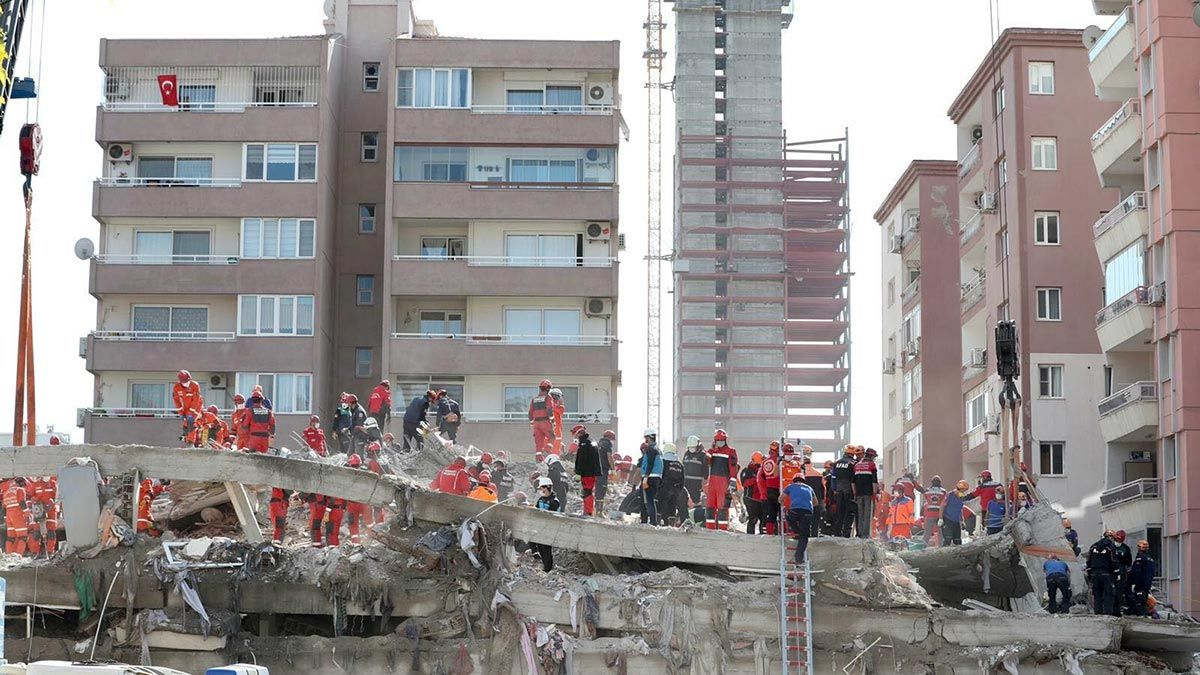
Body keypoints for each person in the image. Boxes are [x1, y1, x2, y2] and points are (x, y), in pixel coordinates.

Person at [705, 429, 738, 530]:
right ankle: (709, 528)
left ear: (725, 440)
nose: (720, 442)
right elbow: (707, 461)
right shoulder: (712, 451)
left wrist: (732, 483)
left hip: (723, 482)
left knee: (722, 507)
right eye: (718, 440)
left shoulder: (731, 451)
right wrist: (711, 450)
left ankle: (723, 529)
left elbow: (733, 468)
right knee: (710, 506)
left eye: (722, 440)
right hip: (712, 482)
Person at [782, 474, 816, 564]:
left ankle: (796, 531)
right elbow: (815, 502)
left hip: (794, 511)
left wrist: (783, 503)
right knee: (804, 536)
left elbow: (781, 498)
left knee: (788, 516)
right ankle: (799, 558)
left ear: (794, 480)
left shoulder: (790, 486)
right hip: (807, 512)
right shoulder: (809, 488)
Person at [1086, 530, 1121, 616]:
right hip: (1106, 574)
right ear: (1111, 537)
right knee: (1108, 594)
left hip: (1094, 574)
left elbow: (1089, 561)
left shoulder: (1093, 546)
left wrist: (1090, 573)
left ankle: (1098, 613)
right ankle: (1107, 614)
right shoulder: (1111, 547)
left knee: (1097, 594)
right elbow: (1114, 561)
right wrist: (1117, 573)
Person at [572, 425, 603, 516]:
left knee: (587, 491)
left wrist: (578, 472)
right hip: (592, 472)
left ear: (579, 433)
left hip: (587, 473)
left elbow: (582, 459)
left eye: (576, 435)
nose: (575, 437)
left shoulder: (584, 443)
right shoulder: (591, 441)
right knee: (588, 491)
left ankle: (588, 512)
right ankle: (588, 511)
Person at [533, 477, 560, 572]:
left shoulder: (554, 501)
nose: (541, 490)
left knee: (546, 548)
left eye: (542, 488)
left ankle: (548, 569)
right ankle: (545, 566)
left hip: (550, 528)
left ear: (548, 487)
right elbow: (536, 509)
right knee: (540, 547)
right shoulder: (541, 499)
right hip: (540, 527)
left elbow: (552, 515)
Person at [637, 429, 664, 526]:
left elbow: (650, 464)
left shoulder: (651, 449)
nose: (645, 440)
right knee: (651, 499)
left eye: (646, 438)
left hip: (650, 477)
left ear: (649, 437)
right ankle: (653, 521)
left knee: (649, 500)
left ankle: (653, 522)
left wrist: (645, 477)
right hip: (656, 478)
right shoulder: (658, 450)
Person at [852, 448, 880, 539]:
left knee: (860, 513)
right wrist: (875, 492)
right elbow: (874, 481)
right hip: (868, 493)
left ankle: (859, 533)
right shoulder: (872, 465)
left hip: (859, 493)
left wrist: (855, 493)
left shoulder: (857, 465)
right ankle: (866, 534)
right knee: (867, 513)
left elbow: (853, 482)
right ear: (871, 456)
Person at [940, 480, 976, 546]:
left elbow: (960, 509)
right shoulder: (950, 495)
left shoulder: (960, 498)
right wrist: (940, 518)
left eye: (964, 491)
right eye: (963, 490)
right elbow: (942, 506)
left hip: (956, 521)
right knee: (948, 538)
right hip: (948, 519)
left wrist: (962, 521)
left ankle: (958, 555)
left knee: (957, 540)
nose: (963, 492)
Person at [830, 446, 857, 537]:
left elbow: (833, 477)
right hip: (849, 490)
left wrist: (834, 489)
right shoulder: (853, 463)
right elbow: (855, 478)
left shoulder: (836, 463)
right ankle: (846, 532)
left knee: (839, 511)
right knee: (849, 512)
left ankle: (837, 532)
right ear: (852, 454)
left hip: (838, 489)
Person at [172, 370, 204, 445]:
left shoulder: (194, 385)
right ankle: (185, 437)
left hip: (196, 406)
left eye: (187, 381)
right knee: (186, 423)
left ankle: (190, 442)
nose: (186, 383)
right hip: (186, 407)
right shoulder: (176, 387)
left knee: (191, 423)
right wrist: (181, 413)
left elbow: (196, 400)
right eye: (184, 382)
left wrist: (191, 413)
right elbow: (176, 401)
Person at [658, 443, 687, 526]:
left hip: (664, 489)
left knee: (660, 507)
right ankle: (671, 525)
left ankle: (658, 523)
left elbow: (660, 476)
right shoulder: (680, 465)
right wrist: (679, 491)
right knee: (672, 508)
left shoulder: (663, 462)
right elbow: (682, 480)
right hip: (676, 490)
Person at [1128, 540, 1156, 617]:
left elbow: (1136, 572)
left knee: (1139, 604)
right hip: (1147, 585)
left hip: (1140, 585)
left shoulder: (1140, 558)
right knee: (1143, 602)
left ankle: (1142, 619)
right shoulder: (1150, 559)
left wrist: (1133, 583)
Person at [757, 449, 781, 535]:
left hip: (768, 491)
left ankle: (768, 533)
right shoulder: (781, 460)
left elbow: (760, 479)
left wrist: (763, 493)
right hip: (779, 489)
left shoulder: (765, 463)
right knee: (782, 513)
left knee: (771, 514)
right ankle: (783, 532)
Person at [528, 380, 556, 453]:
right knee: (552, 437)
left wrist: (532, 423)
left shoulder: (534, 399)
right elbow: (549, 410)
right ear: (548, 388)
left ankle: (539, 461)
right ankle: (548, 449)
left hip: (536, 423)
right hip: (545, 422)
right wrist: (553, 421)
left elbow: (530, 413)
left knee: (538, 443)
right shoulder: (548, 397)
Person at [4, 477, 30, 555]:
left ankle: (9, 555)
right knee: (23, 537)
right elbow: (22, 502)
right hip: (17, 514)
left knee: (11, 537)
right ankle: (18, 556)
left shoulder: (7, 491)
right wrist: (27, 514)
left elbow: (4, 505)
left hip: (8, 515)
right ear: (22, 483)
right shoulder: (20, 490)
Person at [972, 470, 1003, 534]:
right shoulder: (998, 484)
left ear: (984, 477)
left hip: (985, 508)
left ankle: (986, 534)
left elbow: (973, 495)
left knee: (986, 524)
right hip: (998, 507)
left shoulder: (982, 487)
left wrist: (963, 498)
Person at [682, 435, 707, 512]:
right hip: (686, 482)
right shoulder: (686, 454)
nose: (691, 449)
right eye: (690, 447)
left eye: (693, 447)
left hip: (697, 483)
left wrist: (704, 482)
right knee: (685, 500)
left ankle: (697, 517)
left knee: (696, 501)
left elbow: (706, 470)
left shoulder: (703, 455)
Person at [740, 452, 764, 534]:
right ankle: (750, 536)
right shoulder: (746, 471)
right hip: (749, 498)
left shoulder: (762, 470)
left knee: (763, 519)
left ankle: (763, 535)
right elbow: (744, 483)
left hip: (760, 498)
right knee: (753, 518)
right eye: (757, 463)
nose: (758, 465)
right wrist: (756, 479)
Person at [920, 476, 947, 547]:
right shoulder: (943, 491)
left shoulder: (928, 491)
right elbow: (944, 503)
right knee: (940, 533)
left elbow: (925, 500)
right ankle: (941, 547)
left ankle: (923, 547)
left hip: (929, 515)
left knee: (927, 533)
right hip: (939, 515)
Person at [594, 430, 614, 516]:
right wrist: (613, 469)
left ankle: (595, 510)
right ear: (609, 437)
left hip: (595, 470)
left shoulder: (598, 443)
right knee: (602, 490)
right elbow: (609, 457)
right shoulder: (607, 444)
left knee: (597, 490)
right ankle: (599, 512)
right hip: (603, 470)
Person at [1113, 530, 1133, 616]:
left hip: (1121, 573)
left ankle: (1118, 609)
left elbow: (1129, 562)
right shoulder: (1110, 546)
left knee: (1119, 592)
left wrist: (1121, 558)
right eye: (1117, 540)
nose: (1118, 542)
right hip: (1111, 572)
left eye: (1119, 540)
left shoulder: (1125, 548)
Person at [548, 388, 566, 455]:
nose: (555, 399)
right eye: (553, 397)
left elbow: (560, 410)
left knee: (556, 450)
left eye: (556, 397)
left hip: (557, 431)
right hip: (549, 431)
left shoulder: (560, 407)